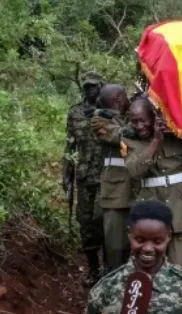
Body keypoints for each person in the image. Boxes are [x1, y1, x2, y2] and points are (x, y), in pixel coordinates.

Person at [123, 99, 182, 273]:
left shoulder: (178, 133)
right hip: (151, 211)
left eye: (143, 120)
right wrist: (156, 141)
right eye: (134, 121)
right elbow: (134, 170)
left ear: (154, 117)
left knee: (181, 270)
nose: (139, 126)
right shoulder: (129, 140)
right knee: (149, 270)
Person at [64, 71, 106, 287]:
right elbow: (69, 145)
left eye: (95, 86)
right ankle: (93, 270)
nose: (91, 90)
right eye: (87, 87)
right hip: (84, 176)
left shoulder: (109, 111)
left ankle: (110, 269)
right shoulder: (75, 113)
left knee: (104, 222)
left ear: (101, 87)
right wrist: (66, 174)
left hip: (107, 176)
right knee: (85, 223)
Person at [91, 84, 134, 272]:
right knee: (116, 245)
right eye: (125, 95)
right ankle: (113, 279)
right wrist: (141, 122)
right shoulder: (100, 118)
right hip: (115, 191)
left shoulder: (129, 114)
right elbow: (122, 136)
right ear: (118, 98)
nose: (128, 98)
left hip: (137, 189)